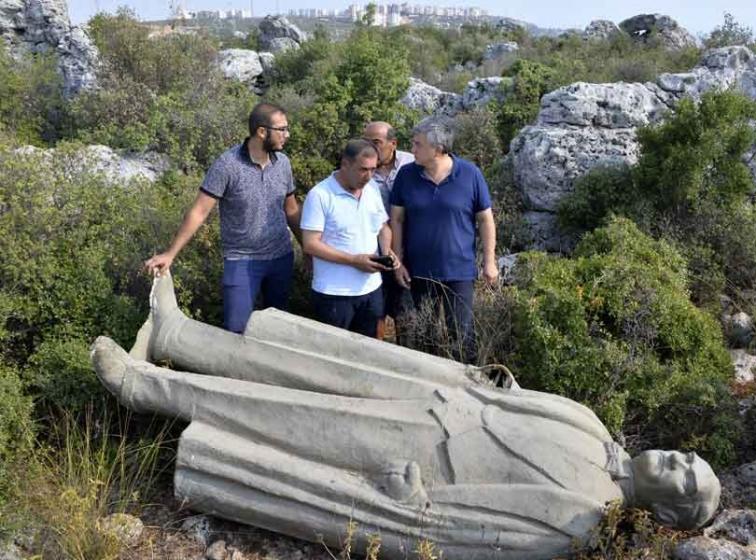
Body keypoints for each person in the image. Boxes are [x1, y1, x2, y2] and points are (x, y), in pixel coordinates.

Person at [91, 273, 721, 560]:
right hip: (438, 392)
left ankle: (146, 387)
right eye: (691, 459)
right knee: (307, 365)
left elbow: (475, 533)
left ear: (666, 512)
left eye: (687, 479)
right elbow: (512, 403)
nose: (681, 462)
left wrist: (413, 508)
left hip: (419, 451)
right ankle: (177, 334)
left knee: (280, 412)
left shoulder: (582, 520)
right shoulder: (593, 424)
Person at [144, 103, 301, 334]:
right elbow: (199, 212)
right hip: (242, 260)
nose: (287, 135)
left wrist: (308, 248)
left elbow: (291, 209)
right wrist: (170, 254)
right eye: (282, 129)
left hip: (281, 258)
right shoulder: (228, 165)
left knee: (278, 327)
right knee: (236, 329)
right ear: (261, 132)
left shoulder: (283, 163)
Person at [390, 116, 498, 363]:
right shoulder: (407, 175)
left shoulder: (470, 174)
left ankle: (466, 388)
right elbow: (397, 219)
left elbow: (485, 220)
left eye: (417, 145)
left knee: (462, 336)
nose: (412, 149)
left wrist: (489, 262)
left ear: (437, 149)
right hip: (419, 272)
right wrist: (399, 261)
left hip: (459, 271)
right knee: (424, 337)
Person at [300, 139, 399, 338]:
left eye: (373, 169)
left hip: (371, 290)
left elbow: (382, 227)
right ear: (345, 164)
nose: (369, 176)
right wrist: (354, 260)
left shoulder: (371, 190)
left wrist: (387, 252)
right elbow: (310, 244)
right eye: (363, 169)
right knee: (335, 355)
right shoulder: (320, 195)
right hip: (334, 294)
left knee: (370, 351)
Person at [362, 121, 415, 338]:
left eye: (376, 142)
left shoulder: (411, 163)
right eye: (366, 142)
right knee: (375, 319)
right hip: (374, 255)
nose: (370, 148)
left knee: (408, 319)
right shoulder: (360, 167)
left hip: (409, 254)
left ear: (393, 143)